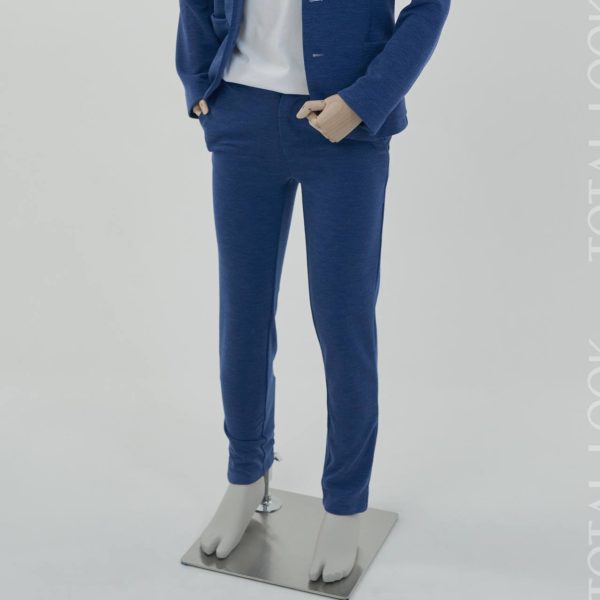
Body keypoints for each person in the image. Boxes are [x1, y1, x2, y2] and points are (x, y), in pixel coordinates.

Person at [176, 0, 450, 583]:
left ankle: (346, 502)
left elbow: (432, 5)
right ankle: (245, 475)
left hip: (345, 122)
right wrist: (198, 81)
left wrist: (367, 100)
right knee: (242, 316)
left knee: (342, 321)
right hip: (240, 113)